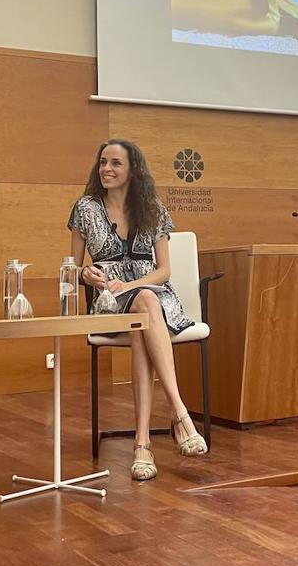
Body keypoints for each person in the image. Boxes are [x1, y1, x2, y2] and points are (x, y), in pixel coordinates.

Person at [68, 139, 208, 481]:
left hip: (154, 297)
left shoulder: (153, 209)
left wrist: (130, 285)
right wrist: (86, 274)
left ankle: (142, 443)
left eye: (115, 163)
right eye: (103, 162)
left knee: (144, 310)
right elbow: (71, 268)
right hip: (107, 302)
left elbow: (163, 271)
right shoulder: (85, 208)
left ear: (133, 170)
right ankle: (179, 414)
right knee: (143, 309)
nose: (106, 169)